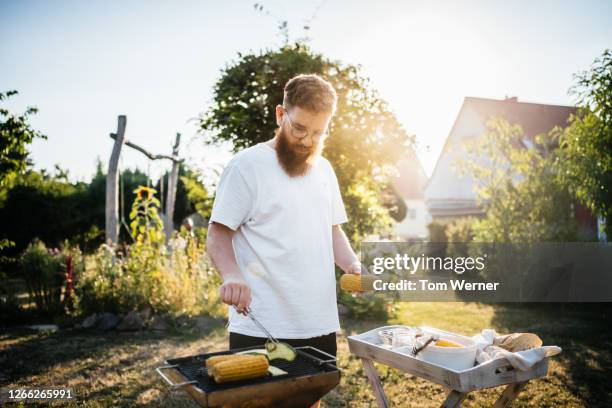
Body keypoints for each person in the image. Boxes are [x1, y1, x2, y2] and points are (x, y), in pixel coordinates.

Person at [206, 74, 361, 407]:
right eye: (299, 128)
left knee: (310, 401)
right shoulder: (247, 166)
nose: (307, 140)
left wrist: (353, 265)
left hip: (317, 321)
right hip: (262, 323)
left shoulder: (325, 170)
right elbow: (218, 234)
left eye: (319, 132)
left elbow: (332, 231)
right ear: (280, 115)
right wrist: (232, 275)